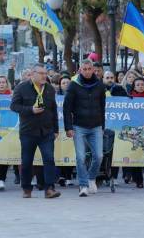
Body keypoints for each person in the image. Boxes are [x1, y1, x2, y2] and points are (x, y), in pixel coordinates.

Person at [11, 64, 60, 199]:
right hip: (28, 131)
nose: (45, 76)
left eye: (46, 73)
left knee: (49, 159)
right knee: (27, 161)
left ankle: (49, 189)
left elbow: (53, 110)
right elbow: (14, 106)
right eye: (41, 73)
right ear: (33, 74)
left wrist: (56, 129)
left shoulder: (50, 89)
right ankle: (26, 188)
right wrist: (30, 110)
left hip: (47, 132)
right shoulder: (21, 87)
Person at [64, 60, 106, 197]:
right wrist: (68, 127)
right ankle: (83, 185)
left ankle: (91, 178)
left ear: (93, 70)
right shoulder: (73, 86)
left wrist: (102, 126)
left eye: (89, 69)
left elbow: (102, 107)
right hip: (79, 126)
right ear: (80, 70)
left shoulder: (99, 85)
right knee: (81, 157)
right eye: (84, 69)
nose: (87, 71)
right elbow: (66, 108)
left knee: (99, 156)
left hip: (96, 126)